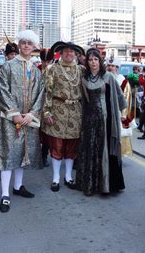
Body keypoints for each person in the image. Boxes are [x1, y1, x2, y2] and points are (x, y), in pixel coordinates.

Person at [0, 30, 45, 213]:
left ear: (34, 47)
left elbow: (41, 94)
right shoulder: (8, 67)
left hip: (28, 119)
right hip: (10, 119)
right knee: (8, 154)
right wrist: (15, 114)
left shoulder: (36, 71)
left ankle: (18, 186)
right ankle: (5, 194)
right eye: (24, 42)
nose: (26, 46)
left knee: (22, 153)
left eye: (30, 43)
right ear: (19, 44)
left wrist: (32, 114)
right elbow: (2, 90)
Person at [75, 48, 127, 196]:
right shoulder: (84, 79)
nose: (93, 62)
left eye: (95, 59)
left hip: (106, 119)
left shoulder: (108, 77)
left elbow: (119, 96)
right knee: (91, 150)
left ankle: (106, 185)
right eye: (90, 60)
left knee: (105, 150)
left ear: (100, 61)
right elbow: (84, 100)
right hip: (90, 119)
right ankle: (91, 185)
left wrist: (122, 114)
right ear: (87, 62)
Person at [42, 41, 85, 192]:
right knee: (57, 146)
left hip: (76, 112)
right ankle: (55, 178)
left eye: (72, 52)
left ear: (75, 54)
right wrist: (46, 111)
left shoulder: (81, 70)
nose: (69, 54)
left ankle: (68, 177)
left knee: (72, 147)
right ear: (61, 53)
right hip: (57, 110)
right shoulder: (52, 68)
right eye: (66, 51)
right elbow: (47, 91)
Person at [106, 57, 134, 156]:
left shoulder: (123, 81)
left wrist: (124, 114)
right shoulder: (103, 78)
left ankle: (118, 154)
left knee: (120, 133)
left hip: (118, 111)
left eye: (112, 66)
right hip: (106, 111)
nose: (110, 68)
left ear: (117, 68)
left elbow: (126, 99)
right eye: (108, 65)